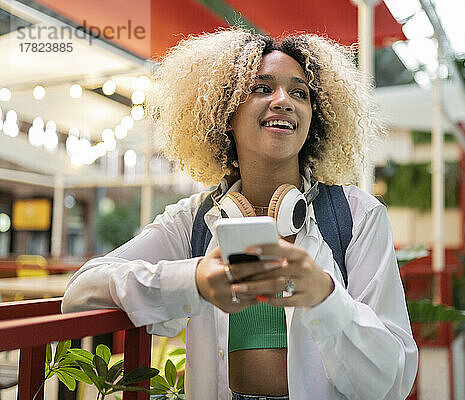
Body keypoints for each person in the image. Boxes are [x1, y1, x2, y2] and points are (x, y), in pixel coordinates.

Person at [62, 29, 418, 400]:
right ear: (225, 112)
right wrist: (193, 280)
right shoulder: (192, 221)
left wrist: (325, 296)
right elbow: (81, 291)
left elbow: (394, 380)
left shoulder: (357, 217)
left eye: (300, 93)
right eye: (262, 88)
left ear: (316, 119)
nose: (283, 100)